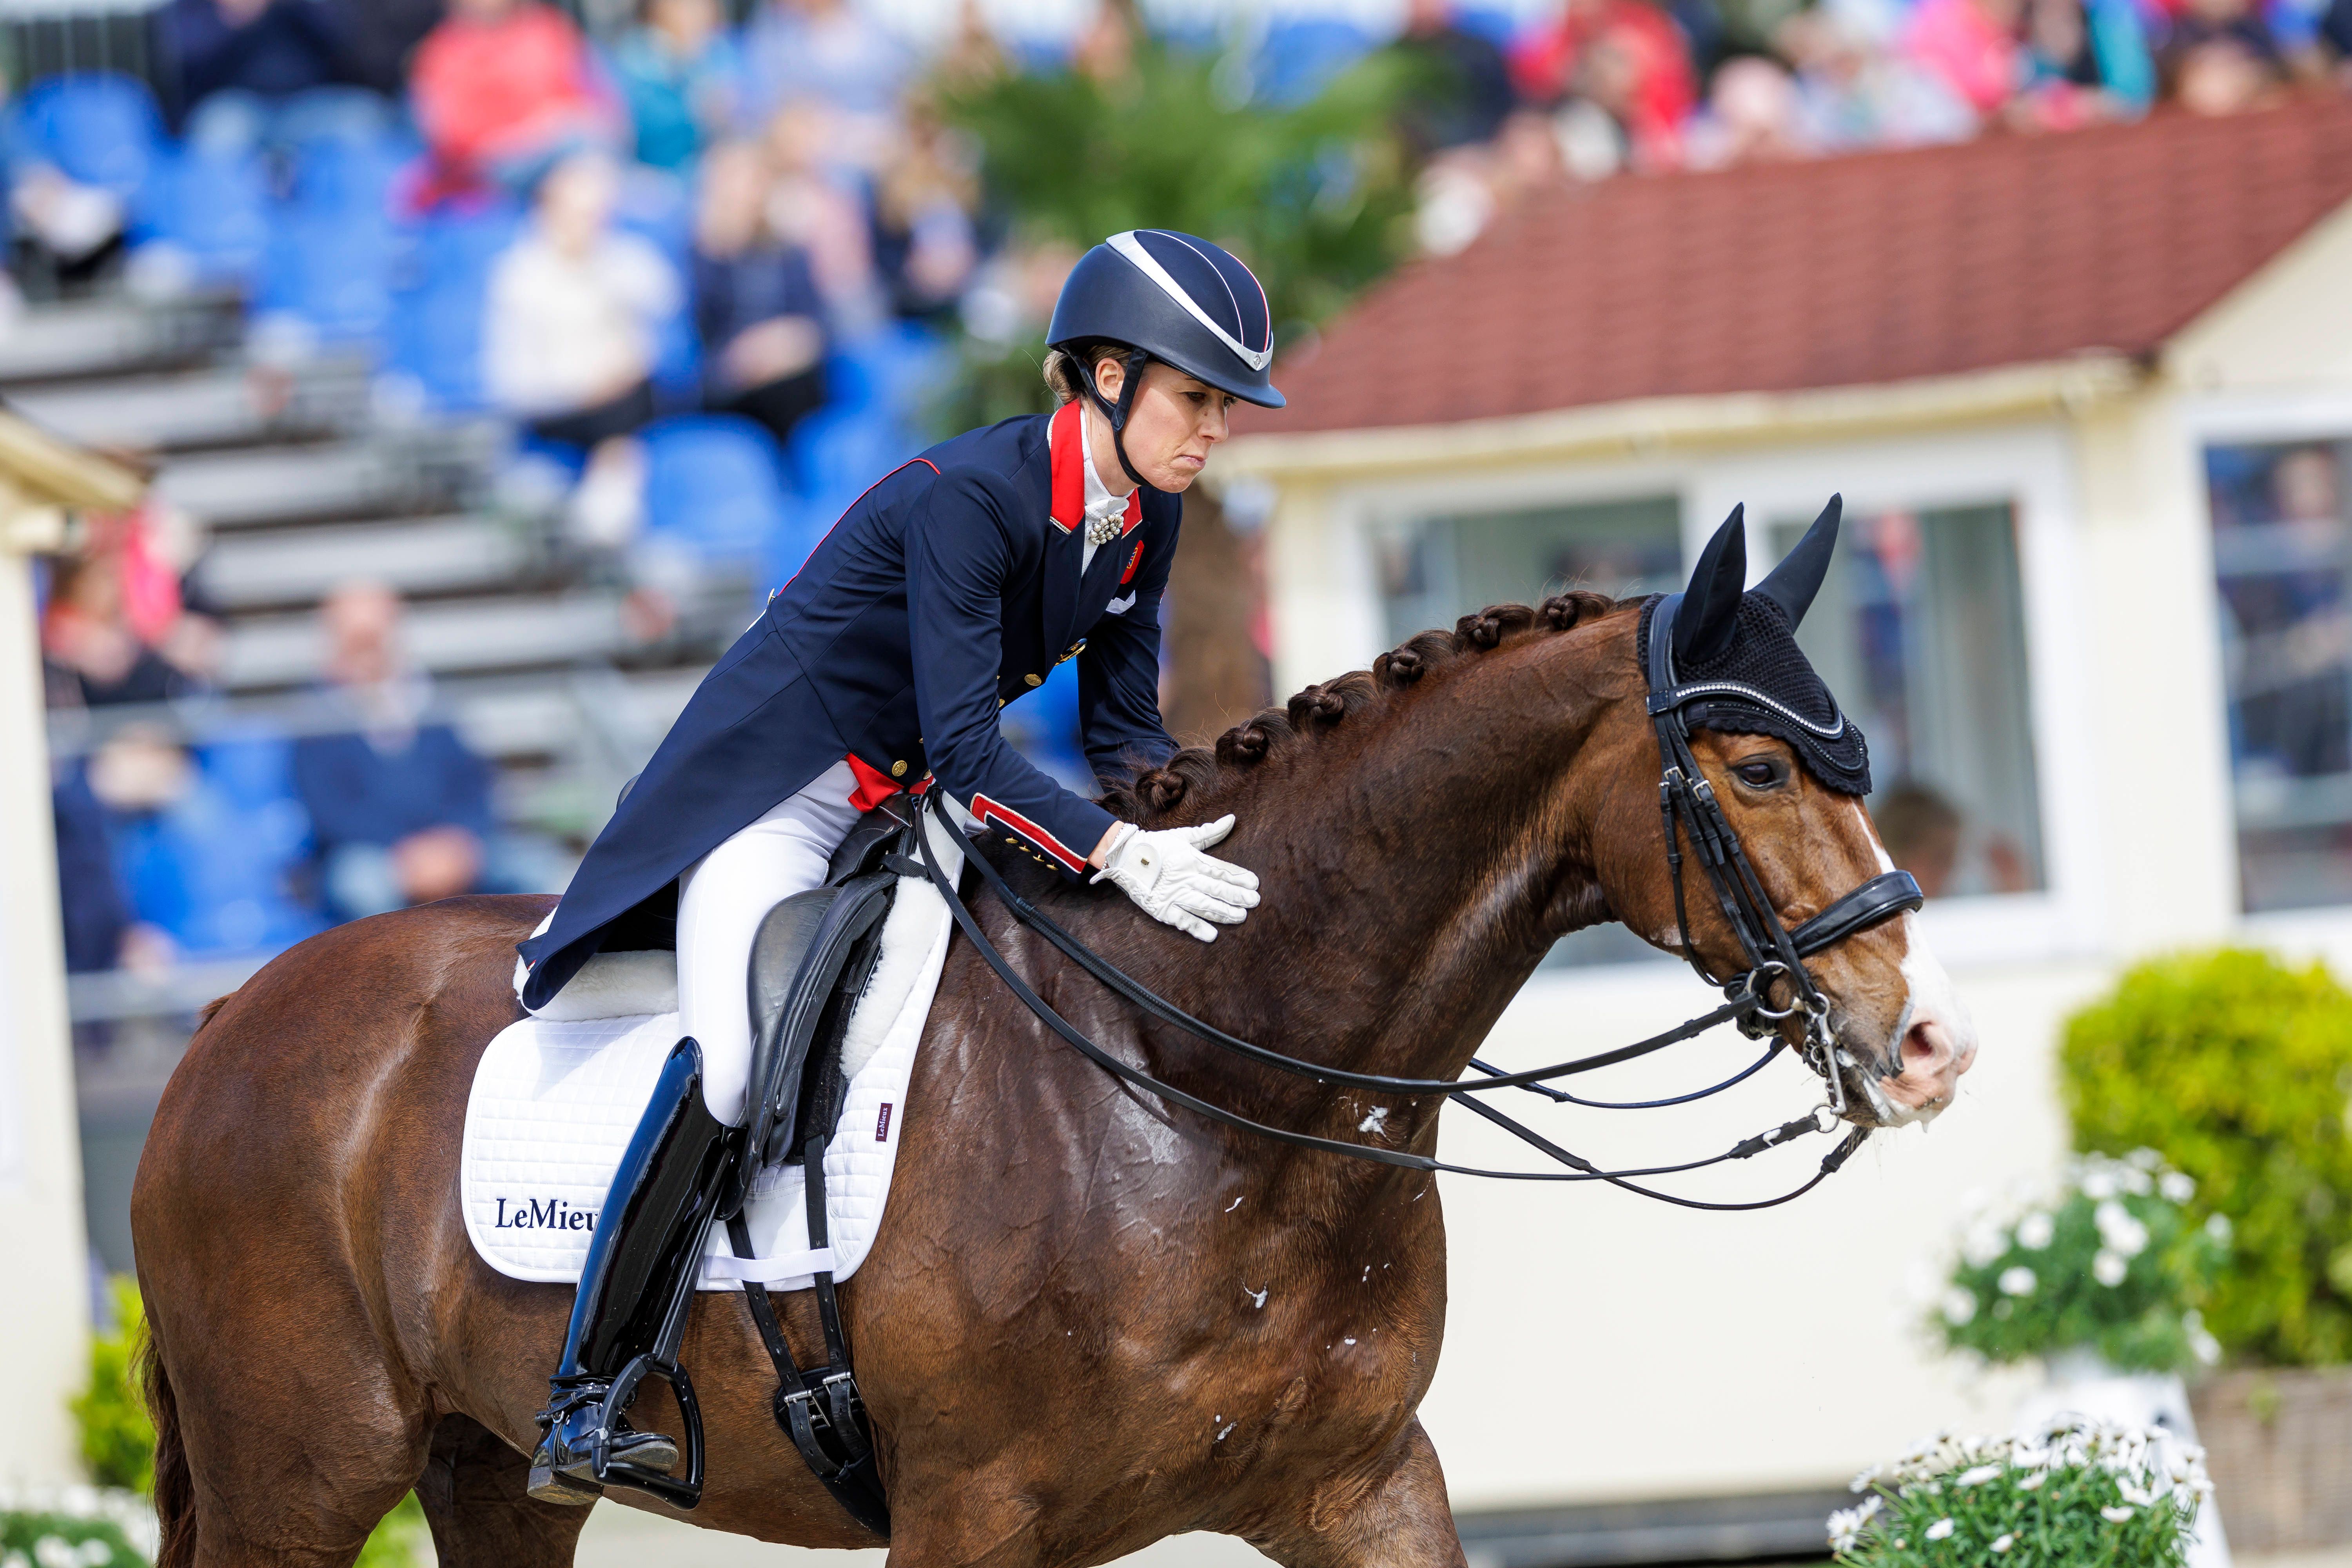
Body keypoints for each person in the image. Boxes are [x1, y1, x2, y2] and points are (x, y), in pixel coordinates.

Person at [515, 229, 1281, 1501]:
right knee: (738, 1064)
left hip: (913, 804)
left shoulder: (1148, 514)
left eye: (1223, 406)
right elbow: (976, 750)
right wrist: (1114, 851)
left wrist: (1208, 822)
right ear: (1100, 378)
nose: (1215, 429)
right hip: (781, 801)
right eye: (1196, 398)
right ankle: (590, 1394)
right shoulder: (970, 499)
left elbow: (1123, 734)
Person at [485, 150, 681, 544]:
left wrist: (600, 263)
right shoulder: (521, 277)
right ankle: (610, 505)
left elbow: (666, 299)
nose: (586, 224)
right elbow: (514, 382)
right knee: (623, 409)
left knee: (648, 394)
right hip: (557, 407)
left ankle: (612, 491)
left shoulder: (621, 260)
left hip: (625, 399)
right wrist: (584, 386)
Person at [291, 581, 496, 921]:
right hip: (371, 852)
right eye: (357, 640)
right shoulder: (314, 714)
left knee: (534, 871)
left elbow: (476, 784)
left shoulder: (432, 698)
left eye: (375, 637)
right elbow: (329, 812)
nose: (368, 650)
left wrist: (456, 843)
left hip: (451, 846)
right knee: (363, 887)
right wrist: (408, 855)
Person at [691, 140, 827, 448]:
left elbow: (817, 320)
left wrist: (786, 345)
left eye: (752, 182)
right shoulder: (699, 256)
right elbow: (698, 338)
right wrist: (743, 357)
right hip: (730, 382)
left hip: (790, 369)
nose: (743, 193)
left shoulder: (786, 250)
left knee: (798, 391)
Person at [409, 0, 618, 193]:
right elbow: (453, 136)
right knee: (579, 139)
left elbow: (587, 95)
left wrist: (556, 122)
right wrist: (535, 130)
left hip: (560, 150)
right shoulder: (443, 52)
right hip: (491, 165)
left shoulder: (546, 29)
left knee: (592, 138)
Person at [150, 0, 386, 157]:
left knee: (365, 120)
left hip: (314, 105)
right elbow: (184, 57)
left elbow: (349, 43)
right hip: (235, 106)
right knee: (218, 135)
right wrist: (231, 18)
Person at [609, 0, 741, 172]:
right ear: (656, 9)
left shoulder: (720, 52)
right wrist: (696, 110)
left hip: (714, 168)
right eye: (683, 5)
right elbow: (644, 129)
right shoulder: (636, 57)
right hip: (657, 172)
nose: (695, 13)